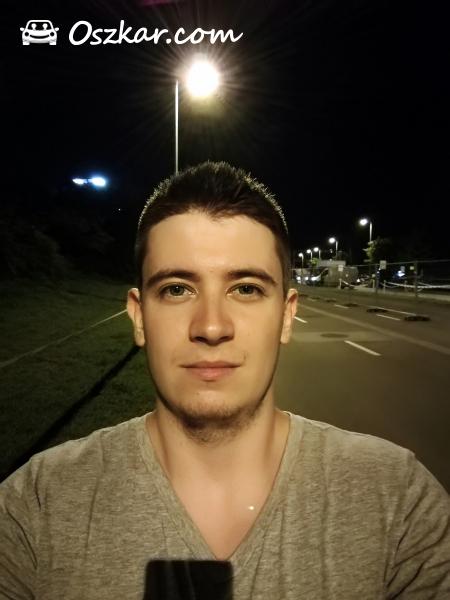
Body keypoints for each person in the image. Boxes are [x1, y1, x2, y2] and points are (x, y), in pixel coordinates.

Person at [0, 161, 449, 599]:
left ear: (287, 315)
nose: (212, 327)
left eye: (246, 289)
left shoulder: (397, 499)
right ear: (138, 316)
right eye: (177, 289)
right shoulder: (38, 504)